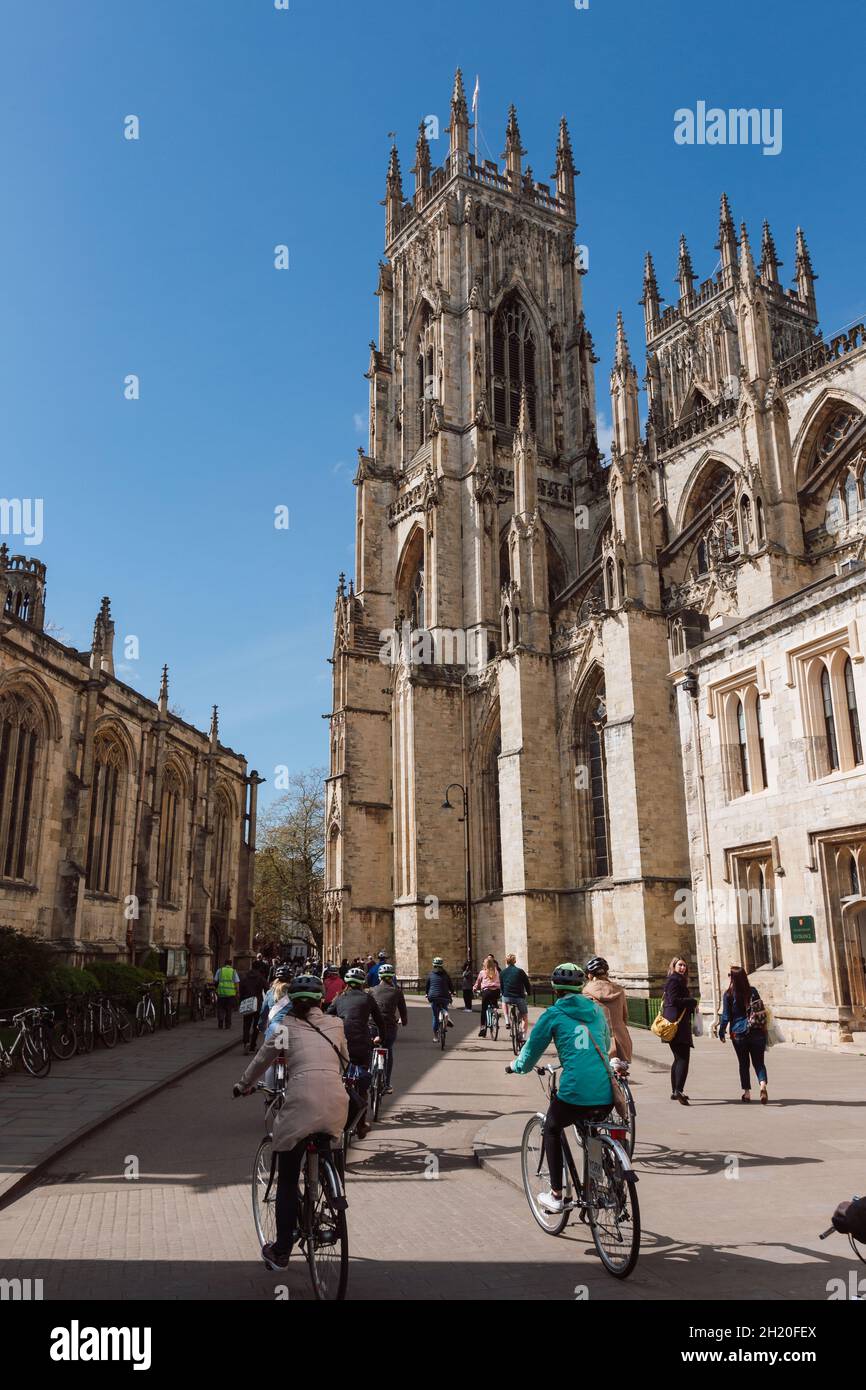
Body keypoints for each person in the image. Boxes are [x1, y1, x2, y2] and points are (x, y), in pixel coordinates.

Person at [234, 973, 349, 1271]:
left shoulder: (285, 1027)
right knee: (330, 1144)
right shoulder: (336, 1024)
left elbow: (262, 1059)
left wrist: (244, 1084)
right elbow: (345, 1060)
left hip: (300, 1103)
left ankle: (282, 1250)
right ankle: (333, 1195)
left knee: (287, 1177)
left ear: (292, 1004)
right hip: (336, 1102)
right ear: (320, 1001)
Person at [507, 963, 613, 1213]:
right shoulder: (597, 1011)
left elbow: (531, 1052)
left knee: (552, 1128)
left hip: (575, 1091)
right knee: (592, 1133)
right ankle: (600, 1186)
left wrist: (516, 1066)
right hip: (606, 1090)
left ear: (555, 989)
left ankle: (556, 1194)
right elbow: (606, 1042)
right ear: (580, 987)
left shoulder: (553, 1014)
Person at [326, 966, 385, 1138]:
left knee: (338, 1078)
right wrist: (381, 1037)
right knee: (361, 1083)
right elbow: (380, 1021)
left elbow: (326, 1016)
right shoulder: (368, 998)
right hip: (361, 1044)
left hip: (341, 1044)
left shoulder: (339, 998)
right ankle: (360, 1124)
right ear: (362, 983)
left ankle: (333, 1117)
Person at [719, 964, 769, 1103]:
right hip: (756, 1031)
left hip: (738, 1033)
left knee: (743, 1063)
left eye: (730, 975)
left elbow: (726, 1016)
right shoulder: (753, 991)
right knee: (759, 1062)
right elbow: (760, 1010)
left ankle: (747, 1093)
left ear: (733, 978)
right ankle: (762, 1085)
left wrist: (722, 1031)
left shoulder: (728, 994)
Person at [582, 956, 633, 1064]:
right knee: (620, 1076)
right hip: (621, 1040)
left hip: (599, 1041)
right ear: (606, 974)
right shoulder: (619, 990)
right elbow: (625, 1016)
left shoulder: (586, 992)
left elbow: (584, 1019)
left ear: (590, 975)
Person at [662, 956, 698, 1105]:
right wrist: (692, 1001)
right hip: (676, 1025)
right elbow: (674, 1000)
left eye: (684, 965)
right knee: (683, 1058)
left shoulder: (677, 980)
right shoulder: (674, 980)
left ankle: (674, 1091)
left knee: (678, 1058)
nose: (683, 968)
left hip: (677, 1024)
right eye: (680, 965)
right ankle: (678, 1090)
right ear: (674, 966)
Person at [370, 964, 408, 1092]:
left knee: (370, 1049)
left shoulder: (372, 990)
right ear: (392, 977)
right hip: (389, 1027)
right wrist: (404, 1021)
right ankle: (386, 1084)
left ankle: (369, 1076)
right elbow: (403, 1011)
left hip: (373, 1025)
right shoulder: (397, 992)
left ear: (379, 977)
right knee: (388, 1050)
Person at [499, 953, 531, 1043]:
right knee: (524, 1016)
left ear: (506, 961)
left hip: (507, 996)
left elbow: (501, 986)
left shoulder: (502, 972)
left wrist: (502, 993)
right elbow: (527, 983)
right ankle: (524, 1036)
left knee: (504, 1001)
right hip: (519, 997)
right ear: (515, 961)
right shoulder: (520, 971)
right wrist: (529, 992)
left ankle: (506, 1020)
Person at [424, 957, 454, 1042]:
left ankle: (436, 1037)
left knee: (435, 1016)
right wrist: (453, 992)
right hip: (445, 996)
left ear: (434, 965)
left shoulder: (430, 974)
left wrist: (426, 993)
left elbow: (427, 986)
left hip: (433, 997)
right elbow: (450, 985)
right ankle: (446, 1017)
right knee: (445, 1007)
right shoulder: (446, 974)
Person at [239, 965, 266, 1054]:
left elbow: (241, 991)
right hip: (257, 1003)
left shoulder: (245, 977)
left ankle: (246, 1042)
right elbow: (267, 989)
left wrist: (241, 1001)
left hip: (247, 1003)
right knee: (256, 1026)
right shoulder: (260, 978)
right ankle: (253, 1045)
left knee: (246, 1025)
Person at [474, 955, 502, 1038]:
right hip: (496, 991)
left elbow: (478, 983)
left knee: (483, 1009)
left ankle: (483, 1026)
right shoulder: (496, 971)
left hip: (487, 992)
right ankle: (495, 1011)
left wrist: (474, 989)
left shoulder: (482, 972)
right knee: (494, 1003)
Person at [214, 958, 239, 1030]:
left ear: (224, 963)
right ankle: (227, 1025)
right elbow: (236, 982)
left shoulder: (220, 970)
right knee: (229, 1010)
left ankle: (220, 1022)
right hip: (230, 994)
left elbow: (215, 980)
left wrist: (216, 988)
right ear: (231, 964)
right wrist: (237, 992)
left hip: (221, 993)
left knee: (220, 1008)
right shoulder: (233, 971)